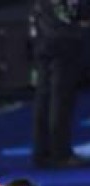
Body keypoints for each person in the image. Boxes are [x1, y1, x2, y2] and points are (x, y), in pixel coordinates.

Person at [31, 0, 90, 168]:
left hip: (44, 32)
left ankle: (42, 151)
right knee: (60, 96)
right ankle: (60, 153)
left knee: (45, 94)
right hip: (64, 36)